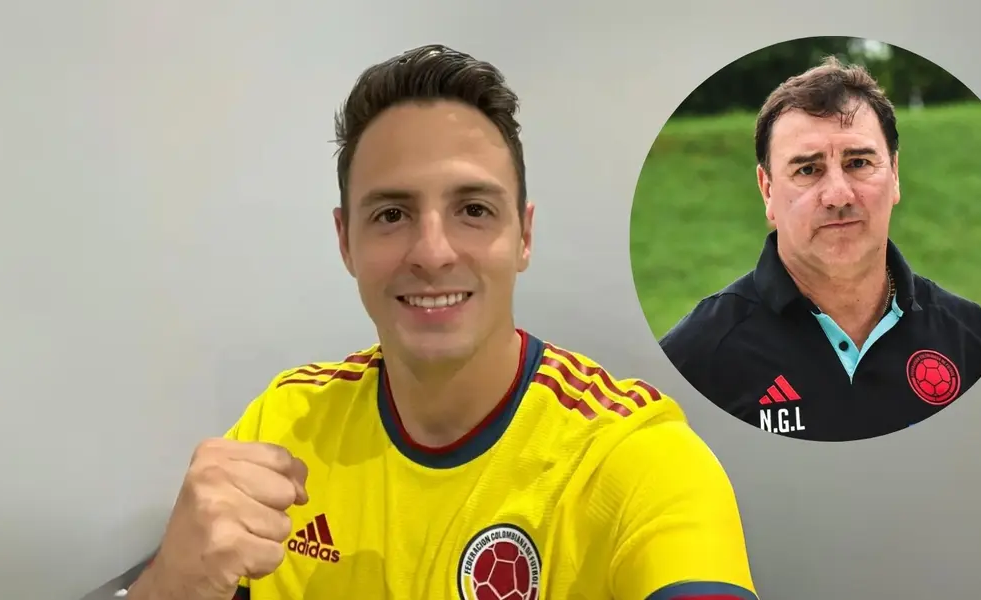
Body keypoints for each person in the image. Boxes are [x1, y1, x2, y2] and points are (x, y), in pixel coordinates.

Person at [124, 45, 758, 600]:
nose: (432, 252)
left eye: (474, 209)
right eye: (392, 214)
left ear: (524, 237)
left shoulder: (635, 460)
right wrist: (172, 586)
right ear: (346, 241)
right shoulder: (283, 424)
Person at [660, 56, 981, 443]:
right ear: (768, 190)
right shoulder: (694, 362)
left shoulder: (974, 344)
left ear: (894, 175)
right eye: (807, 170)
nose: (838, 195)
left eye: (859, 162)